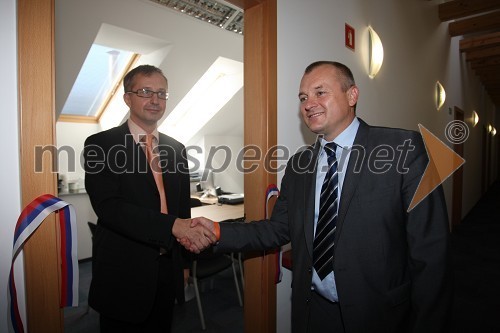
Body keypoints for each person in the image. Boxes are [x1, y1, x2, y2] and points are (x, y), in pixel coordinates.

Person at [183, 61, 453, 332]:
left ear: (352, 95)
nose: (308, 103)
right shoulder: (300, 164)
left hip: (380, 314)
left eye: (319, 92)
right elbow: (277, 229)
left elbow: (431, 252)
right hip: (313, 311)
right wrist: (218, 231)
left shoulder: (402, 149)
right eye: (303, 97)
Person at [84, 64, 216, 332]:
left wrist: (183, 263)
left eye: (162, 93)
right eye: (145, 91)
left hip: (167, 270)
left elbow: (182, 210)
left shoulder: (176, 148)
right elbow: (109, 208)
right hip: (123, 271)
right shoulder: (100, 145)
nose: (155, 100)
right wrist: (170, 227)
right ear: (127, 98)